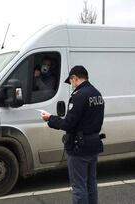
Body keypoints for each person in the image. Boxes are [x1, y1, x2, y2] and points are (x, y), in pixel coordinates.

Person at [41, 65, 105, 204]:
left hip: (79, 147)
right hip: (93, 144)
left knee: (79, 186)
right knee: (91, 183)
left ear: (74, 78)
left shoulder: (79, 95)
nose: (71, 85)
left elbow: (68, 124)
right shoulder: (97, 94)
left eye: (70, 82)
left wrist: (50, 118)